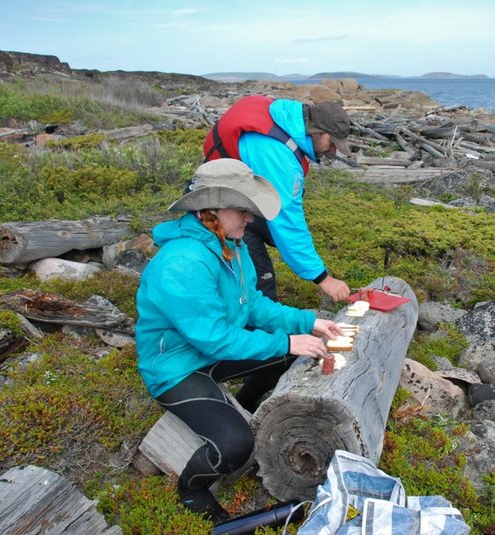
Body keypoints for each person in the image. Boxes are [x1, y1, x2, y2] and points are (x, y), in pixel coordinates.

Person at [135, 158, 342, 522]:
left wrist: (309, 322)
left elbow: (255, 306)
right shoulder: (182, 262)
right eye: (242, 210)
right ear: (209, 209)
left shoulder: (231, 244)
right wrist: (286, 342)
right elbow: (215, 340)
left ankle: (244, 404)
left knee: (287, 355)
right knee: (235, 445)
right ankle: (192, 490)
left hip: (209, 351)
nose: (250, 219)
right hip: (176, 368)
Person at [202, 95, 352, 302]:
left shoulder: (287, 118)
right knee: (260, 281)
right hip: (217, 208)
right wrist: (323, 279)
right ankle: (255, 330)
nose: (333, 150)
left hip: (240, 200)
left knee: (275, 240)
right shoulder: (277, 154)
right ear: (315, 130)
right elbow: (287, 221)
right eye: (331, 142)